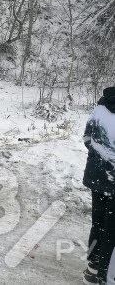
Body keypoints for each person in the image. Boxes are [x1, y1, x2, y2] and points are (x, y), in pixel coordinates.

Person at [83, 86, 115, 285]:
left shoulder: (100, 109)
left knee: (99, 223)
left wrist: (99, 160)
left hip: (97, 178)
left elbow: (87, 139)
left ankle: (92, 265)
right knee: (111, 229)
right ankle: (103, 275)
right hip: (112, 181)